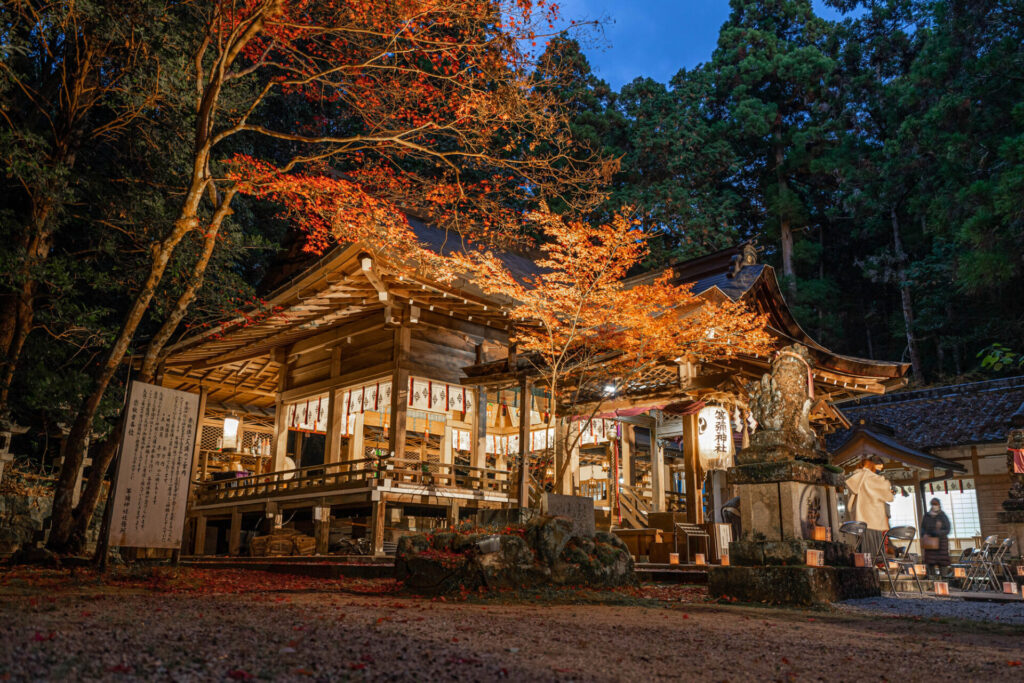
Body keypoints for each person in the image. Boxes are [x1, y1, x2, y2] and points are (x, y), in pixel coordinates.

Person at [921, 497, 952, 577]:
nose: (934, 506)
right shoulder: (927, 516)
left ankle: (944, 582)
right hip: (930, 545)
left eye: (936, 504)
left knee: (943, 565)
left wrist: (938, 533)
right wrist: (924, 534)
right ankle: (932, 583)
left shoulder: (943, 516)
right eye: (933, 504)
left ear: (939, 505)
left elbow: (947, 529)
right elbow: (923, 528)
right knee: (930, 565)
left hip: (942, 545)